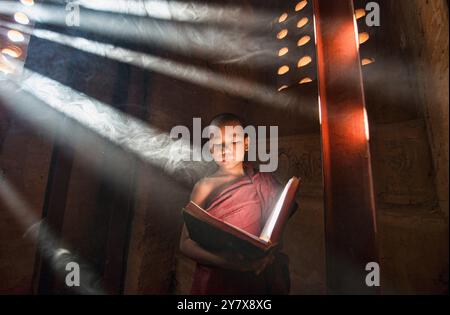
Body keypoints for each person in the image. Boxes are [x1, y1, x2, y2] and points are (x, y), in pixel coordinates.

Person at [179, 113, 291, 295]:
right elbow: (185, 243)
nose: (225, 150)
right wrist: (227, 262)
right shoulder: (204, 187)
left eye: (233, 142)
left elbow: (276, 237)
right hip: (216, 279)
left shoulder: (262, 182)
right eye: (217, 144)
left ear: (246, 143)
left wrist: (266, 256)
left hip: (255, 278)